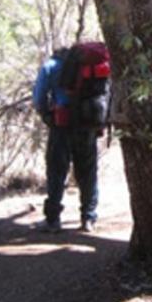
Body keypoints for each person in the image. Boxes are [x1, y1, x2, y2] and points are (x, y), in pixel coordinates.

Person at [32, 47, 100, 233]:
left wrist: (46, 116)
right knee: (88, 173)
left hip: (61, 124)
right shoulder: (88, 66)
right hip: (87, 125)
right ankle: (88, 217)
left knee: (56, 172)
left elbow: (39, 99)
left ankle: (53, 219)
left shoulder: (50, 66)